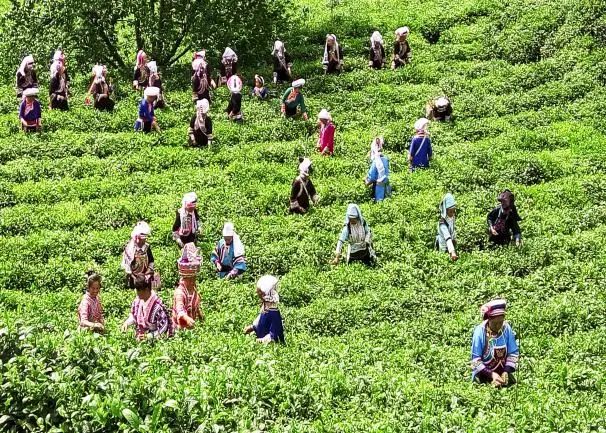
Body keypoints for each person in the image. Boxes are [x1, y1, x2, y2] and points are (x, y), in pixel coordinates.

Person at [471, 299, 519, 386]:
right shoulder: (480, 332)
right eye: (495, 323)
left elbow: (513, 353)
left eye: (500, 322)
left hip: (503, 372)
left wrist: (506, 371)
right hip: (484, 374)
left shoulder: (506, 328)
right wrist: (492, 375)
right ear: (489, 320)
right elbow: (475, 361)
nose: (498, 326)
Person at [121, 276, 173, 340]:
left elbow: (163, 328)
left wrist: (148, 336)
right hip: (141, 335)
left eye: (139, 290)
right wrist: (126, 323)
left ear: (147, 290)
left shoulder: (157, 307)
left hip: (155, 338)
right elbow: (134, 316)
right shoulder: (137, 301)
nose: (137, 292)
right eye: (137, 289)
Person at [243, 275, 285, 344]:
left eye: (259, 292)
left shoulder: (274, 313)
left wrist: (262, 340)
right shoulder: (266, 307)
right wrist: (252, 327)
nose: (257, 293)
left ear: (265, 294)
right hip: (261, 337)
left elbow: (275, 333)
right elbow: (260, 319)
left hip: (272, 347)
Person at [172, 243, 203, 330]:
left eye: (194, 278)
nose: (194, 280)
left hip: (192, 328)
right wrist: (186, 318)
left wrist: (200, 314)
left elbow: (195, 304)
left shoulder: (193, 288)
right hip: (180, 331)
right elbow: (179, 309)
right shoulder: (180, 293)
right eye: (192, 278)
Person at [121, 221, 157, 289]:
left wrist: (148, 271)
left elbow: (151, 260)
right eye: (141, 239)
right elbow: (127, 266)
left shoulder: (147, 247)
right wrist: (135, 278)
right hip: (134, 278)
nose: (143, 241)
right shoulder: (130, 249)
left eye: (145, 239)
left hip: (146, 277)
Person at [435, 193, 458, 261]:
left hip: (451, 245)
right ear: (445, 210)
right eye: (451, 212)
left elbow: (452, 229)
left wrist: (454, 239)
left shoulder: (452, 217)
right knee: (443, 259)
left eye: (454, 211)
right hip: (443, 245)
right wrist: (452, 252)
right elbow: (447, 237)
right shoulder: (442, 223)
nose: (453, 214)